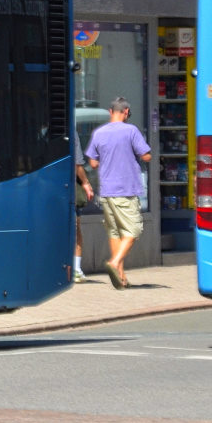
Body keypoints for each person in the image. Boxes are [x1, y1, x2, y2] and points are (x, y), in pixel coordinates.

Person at [84, 96, 152, 290]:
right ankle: (114, 263)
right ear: (127, 112)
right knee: (133, 230)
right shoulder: (131, 131)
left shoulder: (99, 133)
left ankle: (121, 277)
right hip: (126, 190)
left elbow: (93, 162)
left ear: (109, 111)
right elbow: (146, 155)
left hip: (106, 191)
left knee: (115, 232)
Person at [72, 126, 94, 282]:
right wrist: (86, 183)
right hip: (69, 189)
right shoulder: (71, 132)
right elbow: (77, 165)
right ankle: (76, 269)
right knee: (76, 229)